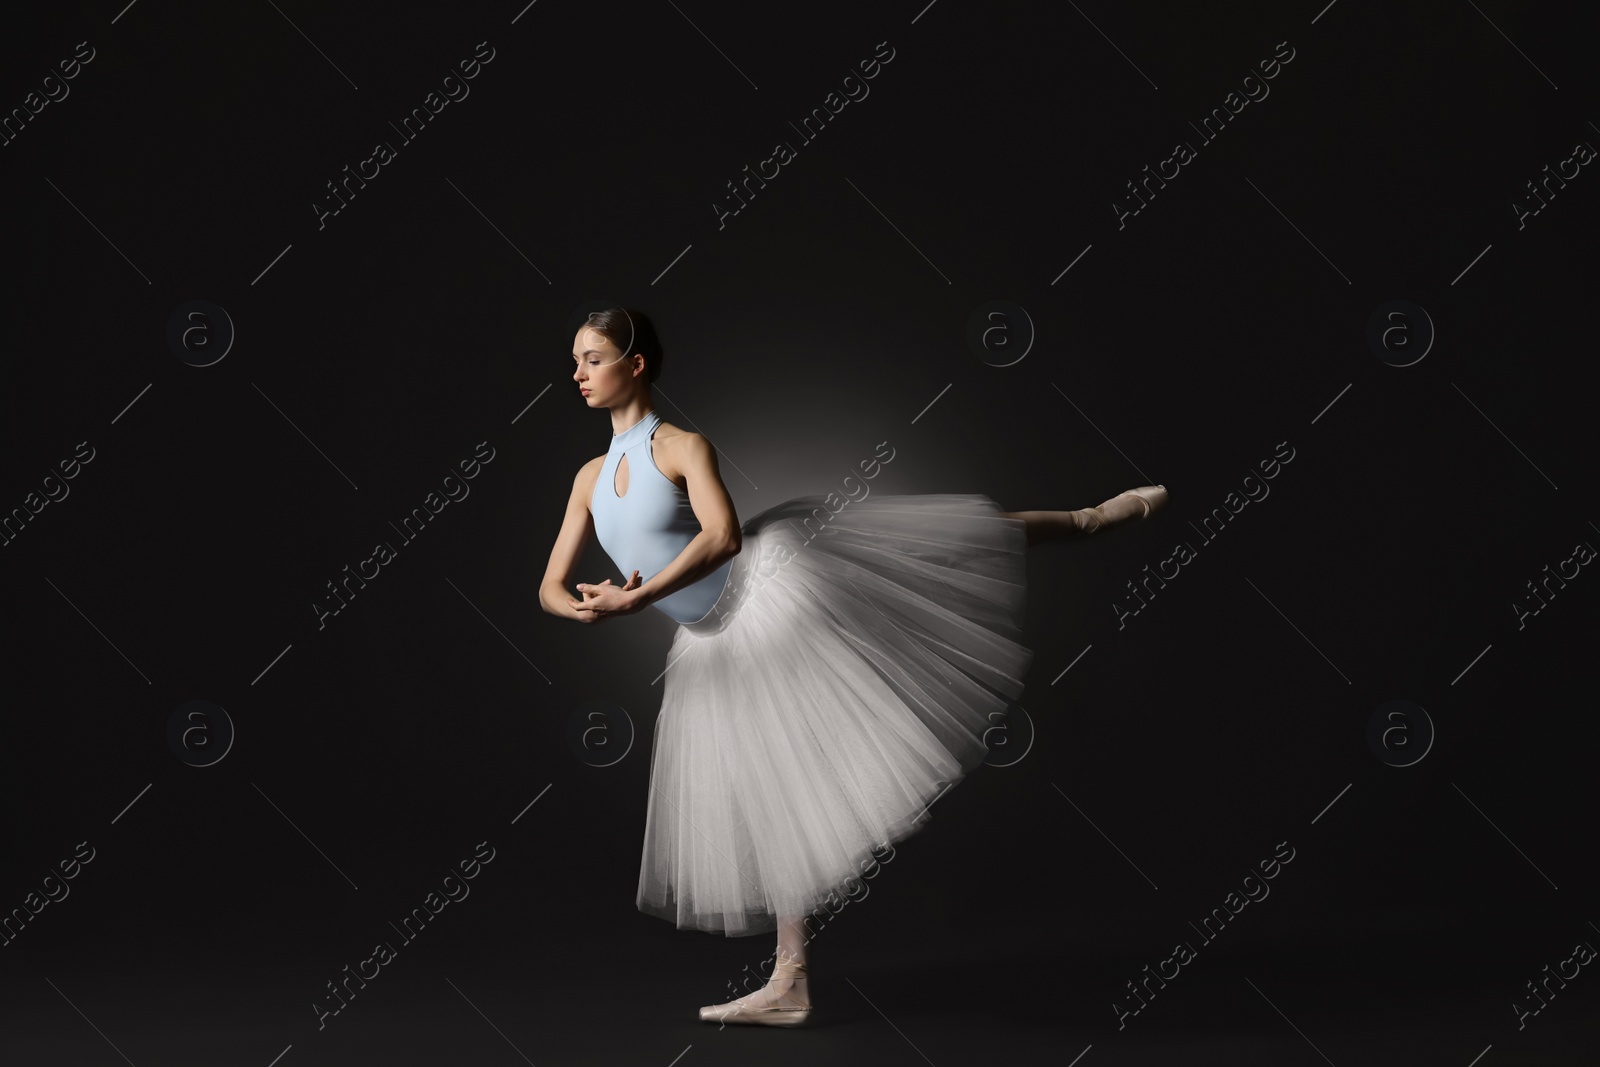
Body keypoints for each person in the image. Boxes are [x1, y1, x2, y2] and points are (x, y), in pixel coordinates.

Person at [539, 308, 1167, 1027]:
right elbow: (549, 584)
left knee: (946, 545)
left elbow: (723, 535)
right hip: (713, 643)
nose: (579, 373)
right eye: (577, 361)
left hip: (773, 594)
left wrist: (640, 595)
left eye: (593, 359)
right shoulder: (590, 477)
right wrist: (580, 608)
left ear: (636, 364)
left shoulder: (683, 447)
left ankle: (1091, 517)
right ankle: (791, 979)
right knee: (772, 796)